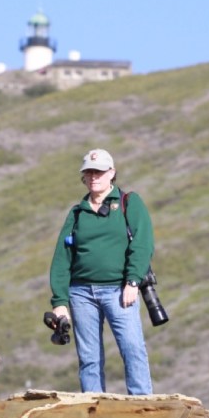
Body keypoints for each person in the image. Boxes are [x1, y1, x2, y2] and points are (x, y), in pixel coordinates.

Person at [49, 148, 154, 395]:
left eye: (99, 171)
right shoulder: (77, 213)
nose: (94, 176)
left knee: (132, 348)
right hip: (81, 293)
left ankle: (143, 404)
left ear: (112, 173)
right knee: (89, 357)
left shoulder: (130, 203)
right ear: (84, 177)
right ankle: (93, 407)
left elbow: (142, 244)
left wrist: (133, 281)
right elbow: (62, 258)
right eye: (89, 172)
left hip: (118, 289)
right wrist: (59, 301)